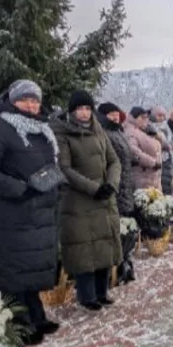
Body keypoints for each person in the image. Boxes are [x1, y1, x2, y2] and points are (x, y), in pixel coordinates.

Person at [0, 80, 61, 346]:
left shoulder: (42, 130)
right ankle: (18, 324)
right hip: (13, 212)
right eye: (25, 100)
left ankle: (36, 315)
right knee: (14, 270)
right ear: (12, 101)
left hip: (40, 211)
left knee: (30, 267)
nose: (31, 105)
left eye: (35, 100)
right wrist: (18, 188)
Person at [52, 90, 122, 311]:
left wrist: (111, 184)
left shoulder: (98, 130)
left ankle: (102, 292)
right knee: (84, 249)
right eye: (80, 109)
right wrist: (94, 188)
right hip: (79, 200)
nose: (84, 113)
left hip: (104, 198)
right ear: (72, 111)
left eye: (88, 108)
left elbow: (114, 160)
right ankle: (87, 296)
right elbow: (65, 168)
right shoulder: (64, 134)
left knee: (103, 246)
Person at [98, 103, 135, 217]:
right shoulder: (104, 133)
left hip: (125, 179)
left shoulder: (118, 131)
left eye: (117, 114)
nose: (115, 117)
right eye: (112, 114)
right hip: (114, 180)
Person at [125, 107, 164, 190]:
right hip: (141, 177)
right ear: (133, 118)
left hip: (151, 178)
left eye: (146, 118)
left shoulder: (143, 131)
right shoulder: (130, 132)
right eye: (142, 117)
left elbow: (165, 146)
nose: (145, 120)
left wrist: (156, 136)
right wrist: (153, 163)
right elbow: (133, 151)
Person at [150, 106, 173, 194]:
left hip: (168, 158)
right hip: (159, 159)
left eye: (163, 115)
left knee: (168, 183)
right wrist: (166, 145)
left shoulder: (165, 126)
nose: (162, 118)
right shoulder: (150, 126)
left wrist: (171, 146)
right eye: (159, 115)